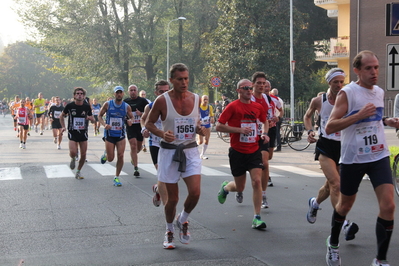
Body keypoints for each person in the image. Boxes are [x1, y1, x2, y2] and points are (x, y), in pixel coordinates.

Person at [324, 51, 397, 266]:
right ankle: (334, 243)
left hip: (378, 155)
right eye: (368, 68)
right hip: (353, 158)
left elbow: (374, 118)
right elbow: (331, 125)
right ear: (357, 70)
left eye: (376, 67)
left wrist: (388, 121)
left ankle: (380, 259)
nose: (374, 72)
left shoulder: (380, 92)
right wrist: (358, 115)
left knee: (389, 205)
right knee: (345, 206)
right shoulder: (348, 93)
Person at [145, 63, 205, 249]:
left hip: (190, 150)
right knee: (173, 199)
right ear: (171, 80)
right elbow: (149, 123)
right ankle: (169, 229)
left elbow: (195, 123)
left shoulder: (196, 99)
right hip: (169, 152)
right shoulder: (162, 101)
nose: (184, 82)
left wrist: (198, 129)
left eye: (186, 78)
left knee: (195, 192)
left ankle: (183, 219)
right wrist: (162, 133)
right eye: (180, 79)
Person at [303, 68, 359, 240]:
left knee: (329, 186)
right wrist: (310, 131)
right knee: (336, 185)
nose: (340, 85)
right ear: (329, 83)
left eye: (342, 81)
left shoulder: (348, 100)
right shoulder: (319, 101)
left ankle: (315, 203)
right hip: (325, 146)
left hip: (344, 147)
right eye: (336, 82)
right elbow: (307, 116)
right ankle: (344, 224)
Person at [216, 78, 269, 229]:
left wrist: (265, 133)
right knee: (240, 188)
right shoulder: (232, 107)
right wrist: (239, 130)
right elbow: (219, 126)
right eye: (245, 88)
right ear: (238, 90)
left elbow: (264, 121)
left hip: (254, 150)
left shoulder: (257, 107)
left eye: (250, 88)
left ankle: (257, 218)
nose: (249, 90)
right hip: (237, 151)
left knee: (256, 182)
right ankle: (226, 188)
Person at [141, 80, 170, 207]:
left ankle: (158, 189)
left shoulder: (175, 105)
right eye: (161, 92)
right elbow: (143, 119)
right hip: (156, 143)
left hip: (170, 144)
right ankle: (168, 208)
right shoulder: (150, 106)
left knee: (169, 177)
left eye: (167, 91)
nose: (164, 94)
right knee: (161, 172)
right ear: (156, 92)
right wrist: (144, 129)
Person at [98, 86, 134, 187]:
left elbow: (132, 117)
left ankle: (116, 177)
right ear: (114, 94)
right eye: (117, 93)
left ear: (123, 94)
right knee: (110, 158)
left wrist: (130, 121)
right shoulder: (108, 104)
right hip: (109, 134)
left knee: (121, 155)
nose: (119, 94)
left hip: (120, 134)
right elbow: (99, 116)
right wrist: (104, 124)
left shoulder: (126, 106)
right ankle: (105, 155)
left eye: (120, 92)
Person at [60, 87, 95, 180]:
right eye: (77, 93)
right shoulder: (70, 106)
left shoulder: (87, 106)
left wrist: (92, 119)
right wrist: (63, 127)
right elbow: (61, 116)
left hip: (83, 133)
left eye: (81, 94)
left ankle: (78, 171)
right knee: (73, 152)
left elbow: (93, 120)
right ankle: (72, 158)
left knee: (83, 154)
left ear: (84, 96)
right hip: (72, 132)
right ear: (74, 95)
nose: (79, 95)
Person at [250, 72, 273, 208]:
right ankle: (234, 188)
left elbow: (271, 114)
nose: (262, 86)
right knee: (242, 177)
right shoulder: (249, 98)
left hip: (263, 135)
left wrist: (273, 119)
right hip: (249, 137)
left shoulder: (266, 98)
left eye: (263, 83)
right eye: (259, 83)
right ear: (253, 84)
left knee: (265, 163)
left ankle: (263, 194)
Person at [124, 84, 149, 177]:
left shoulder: (142, 101)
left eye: (134, 90)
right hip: (131, 127)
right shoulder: (125, 102)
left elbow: (149, 113)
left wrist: (141, 113)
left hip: (140, 127)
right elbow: (121, 115)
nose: (133, 92)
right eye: (131, 90)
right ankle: (136, 168)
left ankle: (133, 157)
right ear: (128, 92)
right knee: (133, 146)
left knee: (138, 148)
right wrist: (127, 120)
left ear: (137, 91)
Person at [263, 80, 283, 187]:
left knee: (269, 156)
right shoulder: (256, 99)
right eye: (264, 86)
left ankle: (261, 167)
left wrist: (278, 117)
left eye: (267, 86)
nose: (266, 88)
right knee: (264, 156)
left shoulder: (275, 99)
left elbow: (281, 111)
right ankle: (266, 175)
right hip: (262, 129)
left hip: (272, 128)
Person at [198, 95, 214, 159]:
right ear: (201, 100)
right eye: (204, 99)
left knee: (207, 140)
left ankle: (202, 154)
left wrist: (212, 118)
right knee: (200, 141)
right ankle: (194, 150)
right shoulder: (199, 107)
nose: (206, 101)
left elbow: (212, 115)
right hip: (200, 125)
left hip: (207, 124)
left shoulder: (209, 107)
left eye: (207, 99)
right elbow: (196, 115)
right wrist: (199, 121)